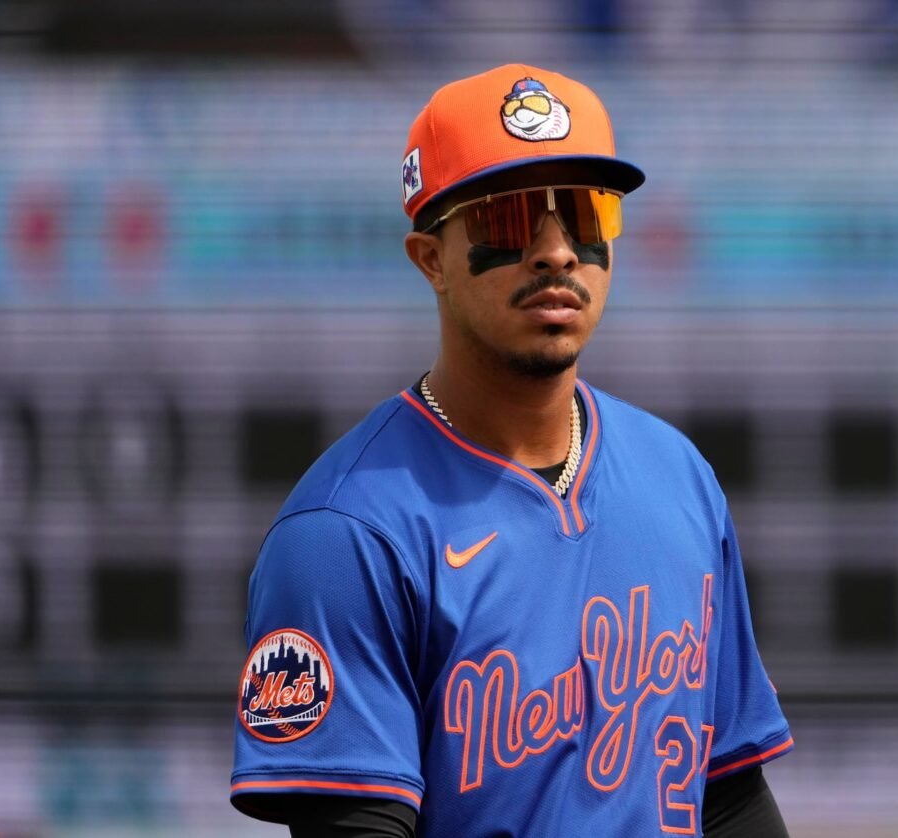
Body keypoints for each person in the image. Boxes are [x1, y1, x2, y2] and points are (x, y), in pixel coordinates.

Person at [231, 63, 793, 837]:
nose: (557, 251)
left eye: (588, 214)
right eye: (510, 218)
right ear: (431, 258)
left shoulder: (678, 476)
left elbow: (729, 794)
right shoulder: (346, 531)